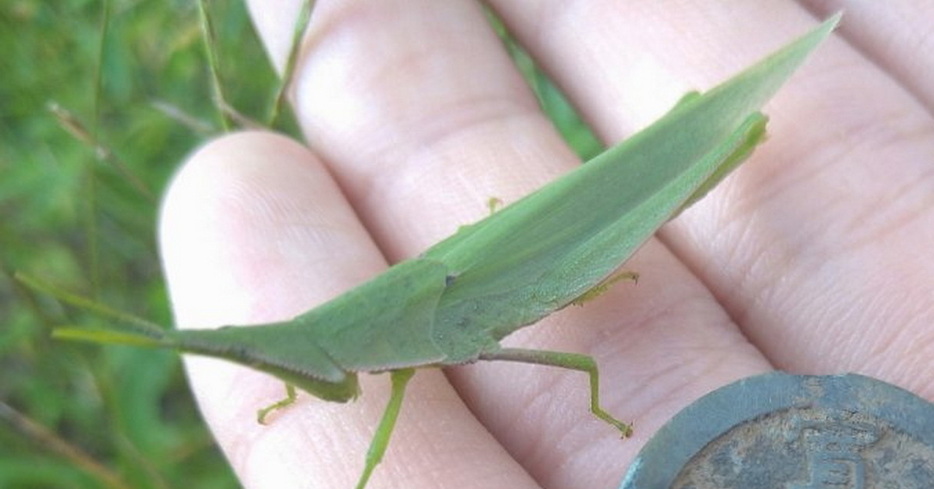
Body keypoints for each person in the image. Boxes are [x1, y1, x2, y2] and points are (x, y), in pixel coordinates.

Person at [158, 2, 934, 488]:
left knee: (715, 142)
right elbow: (320, 357)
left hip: (544, 253)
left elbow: (583, 362)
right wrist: (293, 368)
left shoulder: (378, 349)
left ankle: (726, 127)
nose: (306, 375)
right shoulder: (349, 350)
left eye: (297, 368)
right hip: (481, 261)